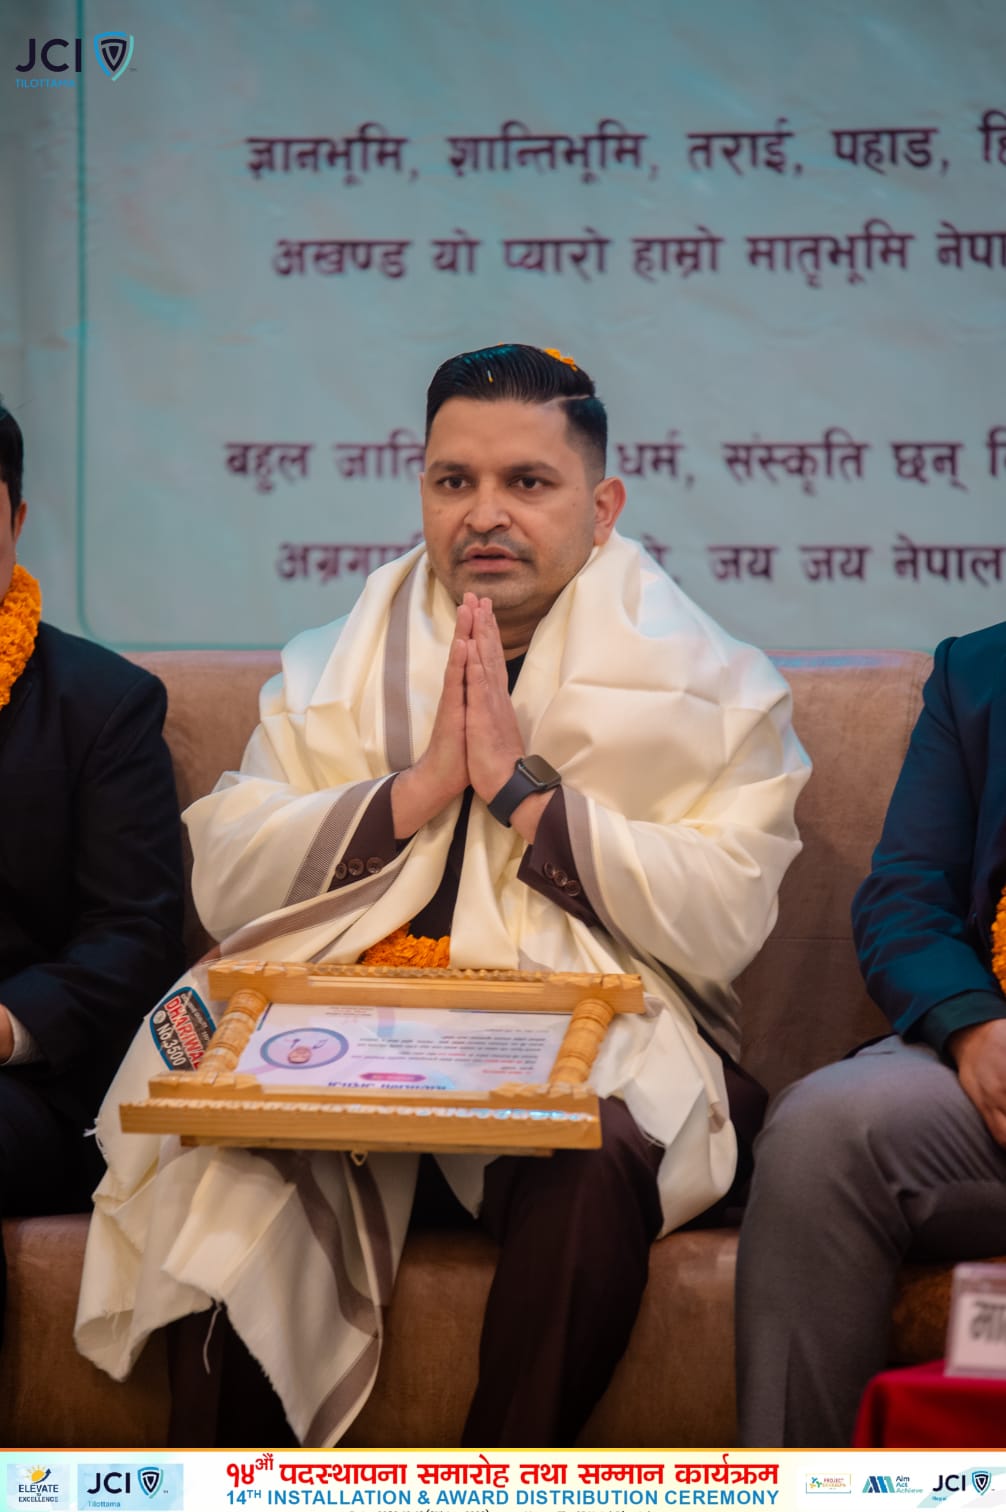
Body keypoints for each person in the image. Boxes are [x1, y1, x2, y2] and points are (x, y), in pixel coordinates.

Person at [76, 344, 809, 1446]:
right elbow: (229, 868)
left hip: (598, 1046)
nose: (485, 514)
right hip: (355, 1046)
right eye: (453, 480)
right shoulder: (330, 664)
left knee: (594, 1151)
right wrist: (414, 791)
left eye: (528, 482)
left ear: (603, 505)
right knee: (231, 1158)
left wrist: (523, 796)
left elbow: (726, 908)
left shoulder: (715, 685)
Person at [735, 617, 1006, 1447]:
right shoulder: (981, 670)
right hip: (993, 1078)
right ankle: (804, 1494)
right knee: (827, 1129)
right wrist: (974, 1028)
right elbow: (907, 898)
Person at [0, 400, 185, 1338]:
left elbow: (135, 936)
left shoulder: (102, 706)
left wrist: (6, 1025)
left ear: (17, 520)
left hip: (33, 1086)